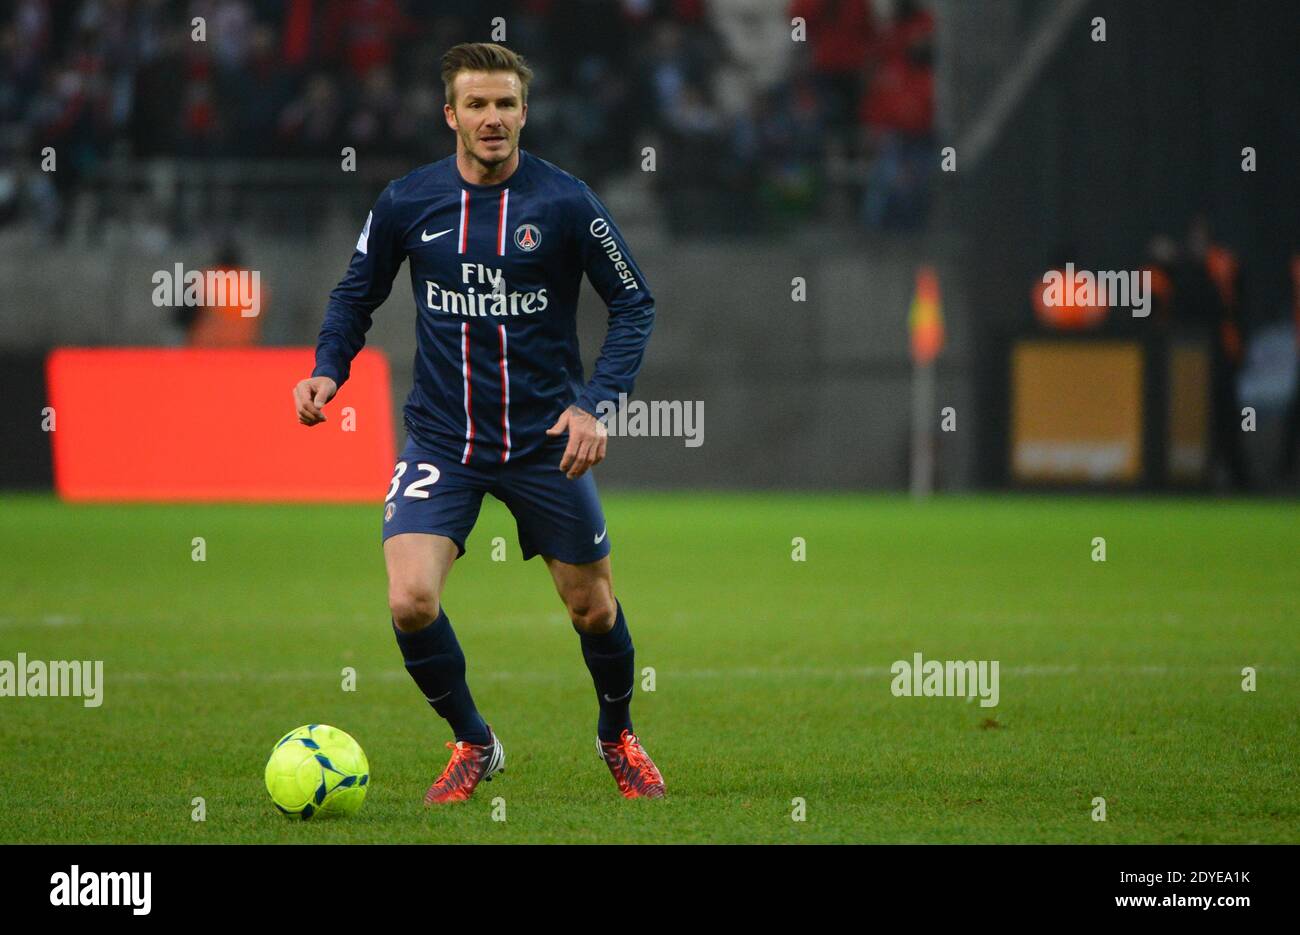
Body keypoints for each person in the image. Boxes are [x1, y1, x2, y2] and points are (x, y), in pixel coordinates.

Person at [293, 42, 663, 803]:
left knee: (593, 608)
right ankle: (473, 739)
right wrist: (330, 366)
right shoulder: (406, 201)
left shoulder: (565, 202)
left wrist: (595, 404)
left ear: (524, 112)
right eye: (476, 104)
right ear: (450, 114)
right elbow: (355, 293)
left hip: (543, 444)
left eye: (504, 104)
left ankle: (616, 733)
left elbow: (633, 302)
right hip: (443, 439)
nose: (491, 118)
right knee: (410, 600)